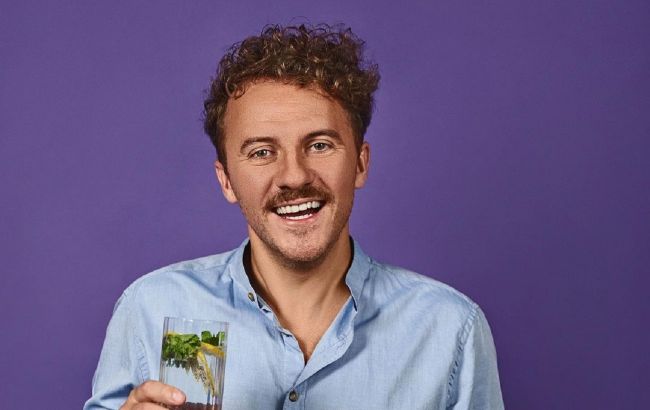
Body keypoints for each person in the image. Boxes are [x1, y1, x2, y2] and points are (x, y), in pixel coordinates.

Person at [85, 24, 504, 410]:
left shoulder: (450, 329)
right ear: (226, 180)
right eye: (262, 152)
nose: (294, 176)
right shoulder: (153, 307)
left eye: (319, 145)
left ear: (360, 164)